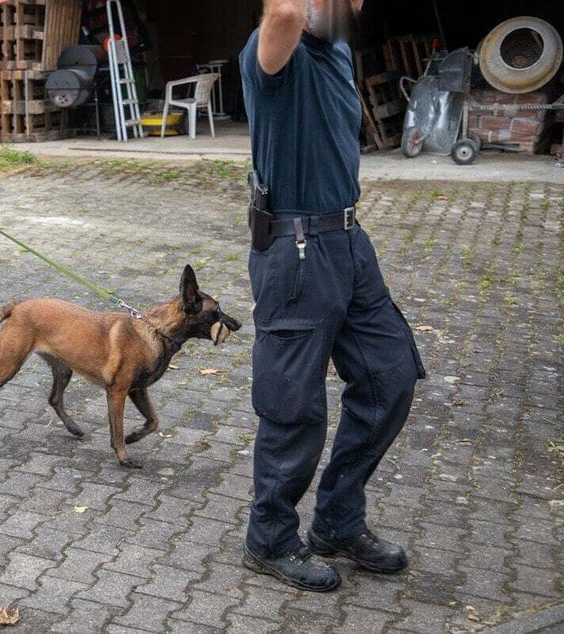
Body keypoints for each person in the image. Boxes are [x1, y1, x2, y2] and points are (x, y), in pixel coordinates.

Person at [240, 0, 426, 591]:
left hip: (348, 243)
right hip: (294, 250)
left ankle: (338, 522)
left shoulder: (340, 48)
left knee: (389, 376)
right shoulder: (273, 52)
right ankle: (269, 539)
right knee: (294, 408)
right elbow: (287, 12)